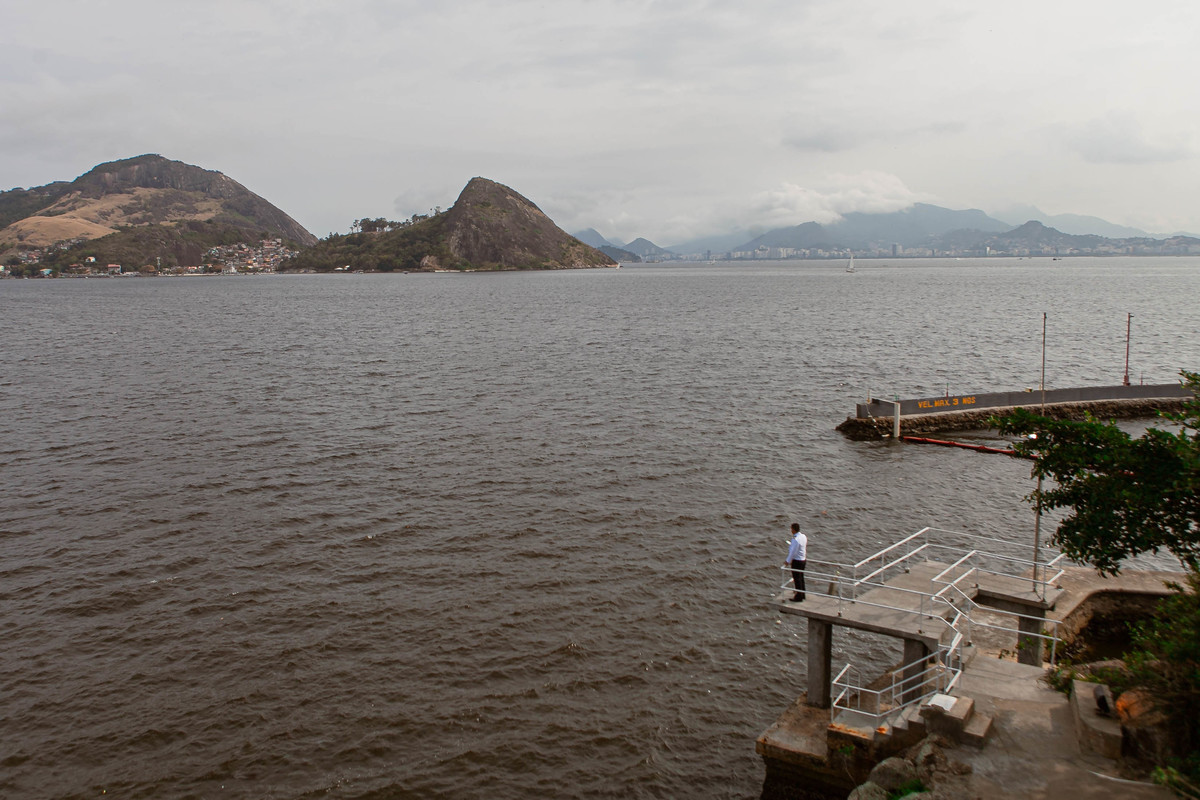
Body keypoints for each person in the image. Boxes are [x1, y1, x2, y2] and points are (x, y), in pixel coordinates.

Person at [785, 522, 807, 602]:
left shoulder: (795, 539)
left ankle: (798, 597)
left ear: (793, 529)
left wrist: (787, 561)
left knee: (797, 579)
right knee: (801, 578)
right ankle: (802, 594)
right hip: (803, 560)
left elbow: (793, 552)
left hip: (797, 561)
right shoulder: (803, 536)